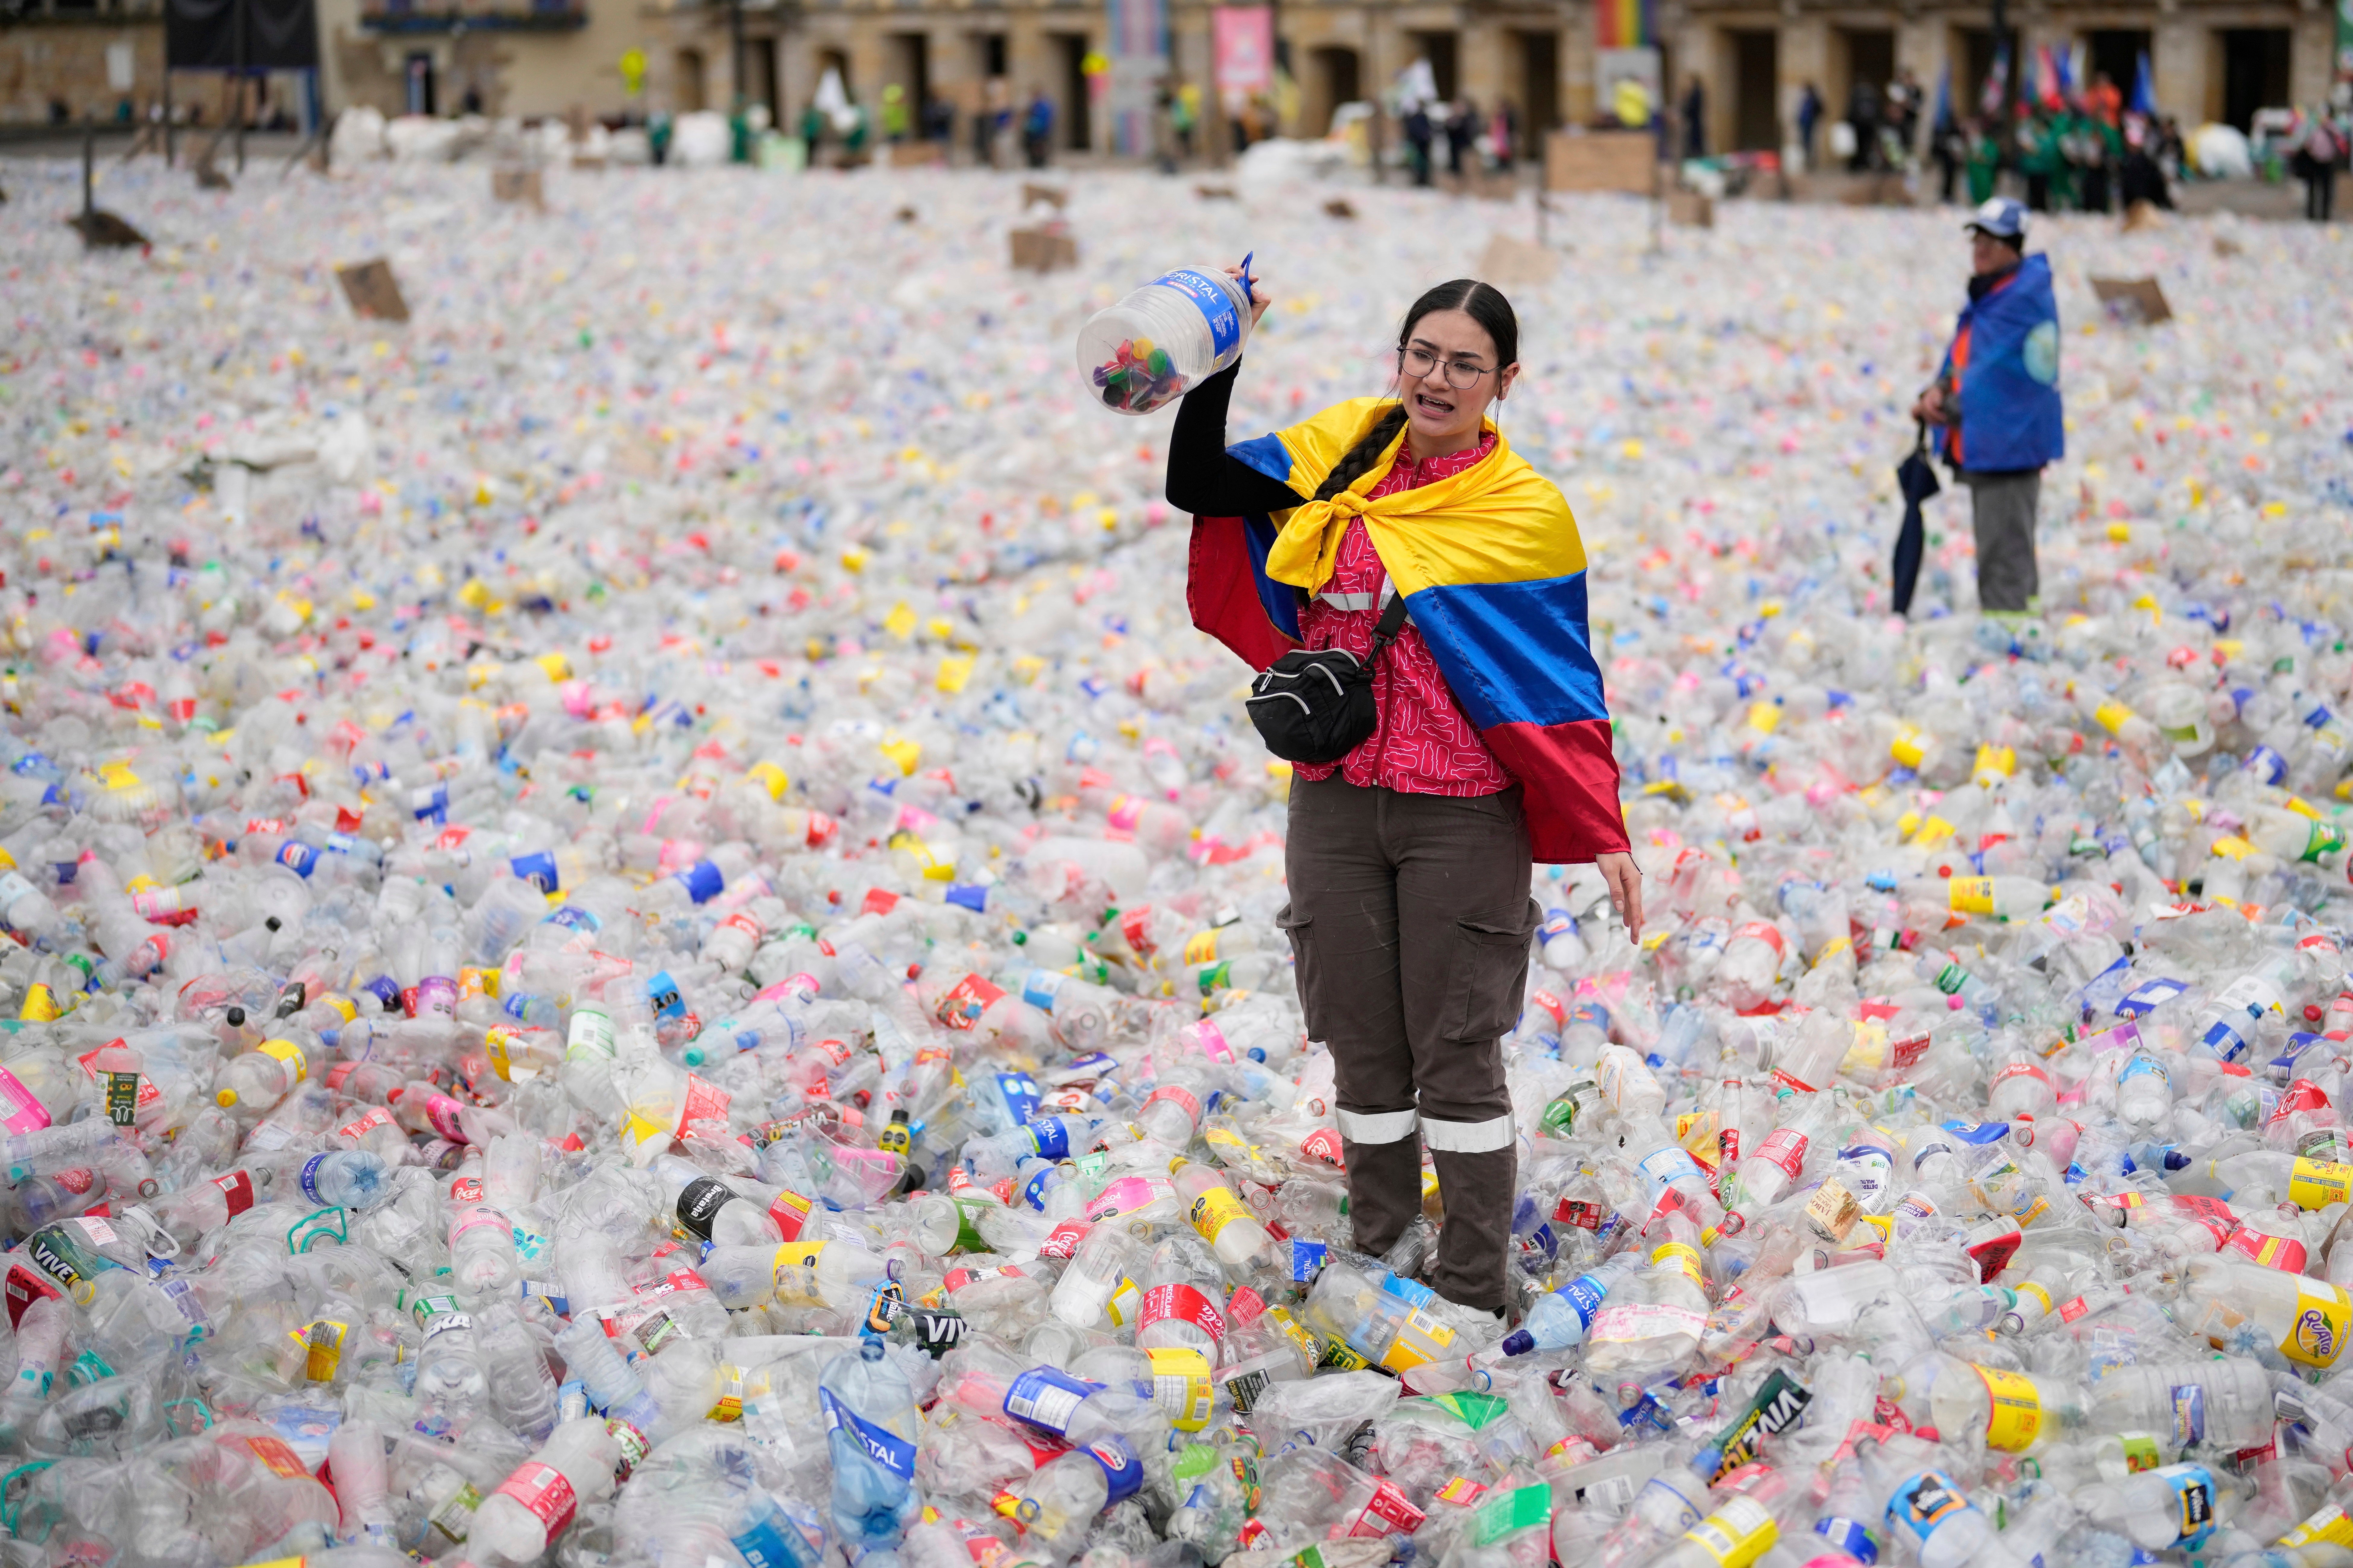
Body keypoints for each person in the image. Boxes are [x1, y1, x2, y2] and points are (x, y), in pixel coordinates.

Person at [1166, 275, 1641, 1313]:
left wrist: (1603, 825)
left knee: (1456, 1054)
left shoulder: (1522, 513)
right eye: (1421, 353)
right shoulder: (1344, 451)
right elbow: (1196, 484)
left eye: (1464, 363)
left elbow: (1558, 678)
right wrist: (1219, 353)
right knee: (1363, 1046)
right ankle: (1383, 1251)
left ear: (1503, 382)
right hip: (1333, 798)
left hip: (1461, 813)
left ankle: (1471, 1284)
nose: (1436, 377)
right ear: (1398, 358)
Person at [1909, 199, 2064, 620]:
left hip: (2010, 444)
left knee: (2005, 550)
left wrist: (1947, 406)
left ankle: (2010, 640)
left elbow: (2000, 379)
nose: (1981, 249)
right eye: (1978, 239)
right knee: (2003, 542)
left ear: (2014, 246)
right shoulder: (1992, 296)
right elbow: (1965, 361)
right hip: (1996, 442)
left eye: (1992, 241)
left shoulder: (2020, 300)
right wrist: (1936, 390)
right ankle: (2021, 627)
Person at [2291, 106, 2342, 222]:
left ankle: (2325, 216)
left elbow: (2340, 141)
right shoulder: (2313, 127)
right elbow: (2306, 143)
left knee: (2327, 190)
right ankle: (2312, 215)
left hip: (2328, 163)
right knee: (2313, 189)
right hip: (2314, 162)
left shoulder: (2333, 127)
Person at [1403, 101, 1434, 186]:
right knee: (1417, 162)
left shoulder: (1424, 117)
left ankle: (1424, 180)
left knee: (1424, 163)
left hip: (1424, 144)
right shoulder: (1416, 118)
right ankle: (1419, 180)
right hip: (1418, 143)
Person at [1021, 89, 1053, 168]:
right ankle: (1035, 164)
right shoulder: (1034, 105)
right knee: (1033, 149)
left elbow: (1044, 120)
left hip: (1039, 132)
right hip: (1033, 133)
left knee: (1038, 149)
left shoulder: (1043, 106)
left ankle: (1039, 164)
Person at [1797, 81, 1824, 168]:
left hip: (1810, 123)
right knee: (1806, 143)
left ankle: (1810, 162)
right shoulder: (1806, 98)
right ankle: (1807, 161)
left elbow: (1821, 110)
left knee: (1809, 143)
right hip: (1805, 123)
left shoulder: (1813, 98)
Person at [1680, 74, 1706, 159]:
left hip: (1695, 121)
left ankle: (1696, 157)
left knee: (1695, 142)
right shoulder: (1697, 92)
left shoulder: (1697, 92)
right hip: (1694, 120)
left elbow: (1692, 108)